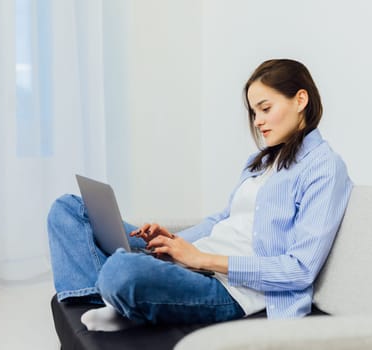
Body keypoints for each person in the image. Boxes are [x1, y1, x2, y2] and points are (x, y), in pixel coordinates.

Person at [47, 58, 353, 330]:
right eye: (253, 112)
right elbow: (223, 219)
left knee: (123, 269)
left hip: (230, 288)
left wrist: (201, 258)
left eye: (265, 108)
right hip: (195, 261)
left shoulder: (324, 168)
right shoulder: (261, 162)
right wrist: (175, 242)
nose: (257, 121)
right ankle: (108, 298)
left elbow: (299, 271)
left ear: (301, 99)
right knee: (69, 209)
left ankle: (118, 293)